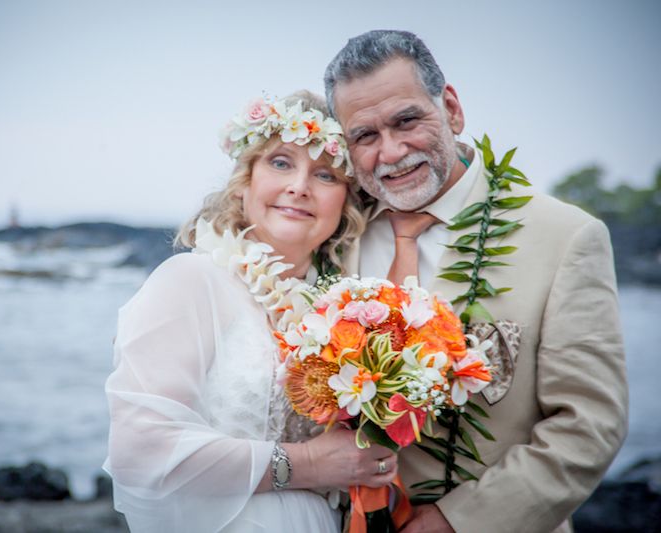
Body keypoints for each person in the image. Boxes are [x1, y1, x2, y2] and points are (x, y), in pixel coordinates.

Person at [324, 30, 628, 533]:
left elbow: (589, 426)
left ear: (451, 108)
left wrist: (455, 522)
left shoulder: (565, 237)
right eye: (366, 136)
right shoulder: (335, 229)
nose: (392, 152)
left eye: (406, 121)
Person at [103, 90, 400, 533]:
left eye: (325, 174)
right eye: (281, 163)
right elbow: (142, 452)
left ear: (347, 203)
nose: (299, 186)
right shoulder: (190, 281)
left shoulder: (341, 315)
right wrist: (308, 465)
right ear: (244, 183)